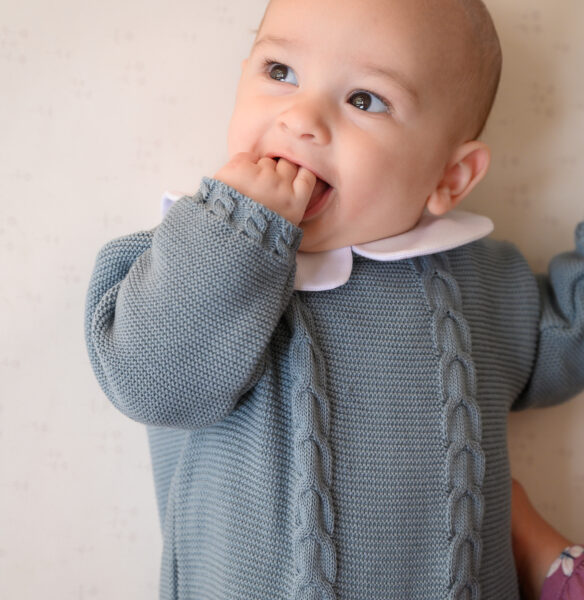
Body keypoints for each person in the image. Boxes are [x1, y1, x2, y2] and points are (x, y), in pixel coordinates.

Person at [84, 0, 584, 597]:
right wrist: (235, 229)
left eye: (364, 100)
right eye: (280, 72)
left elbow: (569, 339)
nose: (302, 118)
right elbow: (150, 382)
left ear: (449, 178)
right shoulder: (186, 261)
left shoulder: (481, 282)